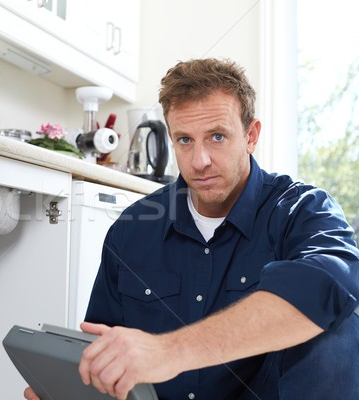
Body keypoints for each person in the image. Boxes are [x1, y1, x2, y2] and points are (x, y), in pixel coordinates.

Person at [24, 58, 359, 400]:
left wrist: (168, 352)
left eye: (217, 137)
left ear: (251, 136)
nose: (200, 161)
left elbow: (331, 283)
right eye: (185, 140)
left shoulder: (301, 209)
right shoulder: (130, 231)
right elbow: (106, 354)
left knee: (337, 321)